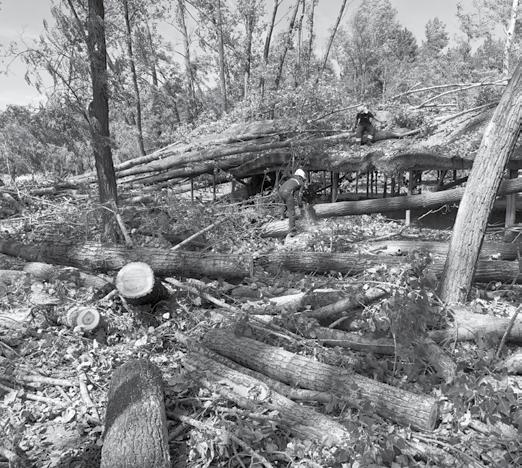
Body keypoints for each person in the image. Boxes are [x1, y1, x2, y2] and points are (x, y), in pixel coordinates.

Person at [278, 168, 307, 236]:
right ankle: (292, 230)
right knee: (291, 211)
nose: (303, 180)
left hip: (281, 190)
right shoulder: (300, 182)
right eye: (303, 178)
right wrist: (300, 205)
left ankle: (282, 215)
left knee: (284, 203)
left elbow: (295, 193)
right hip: (287, 192)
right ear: (301, 177)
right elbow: (299, 195)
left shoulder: (291, 180)